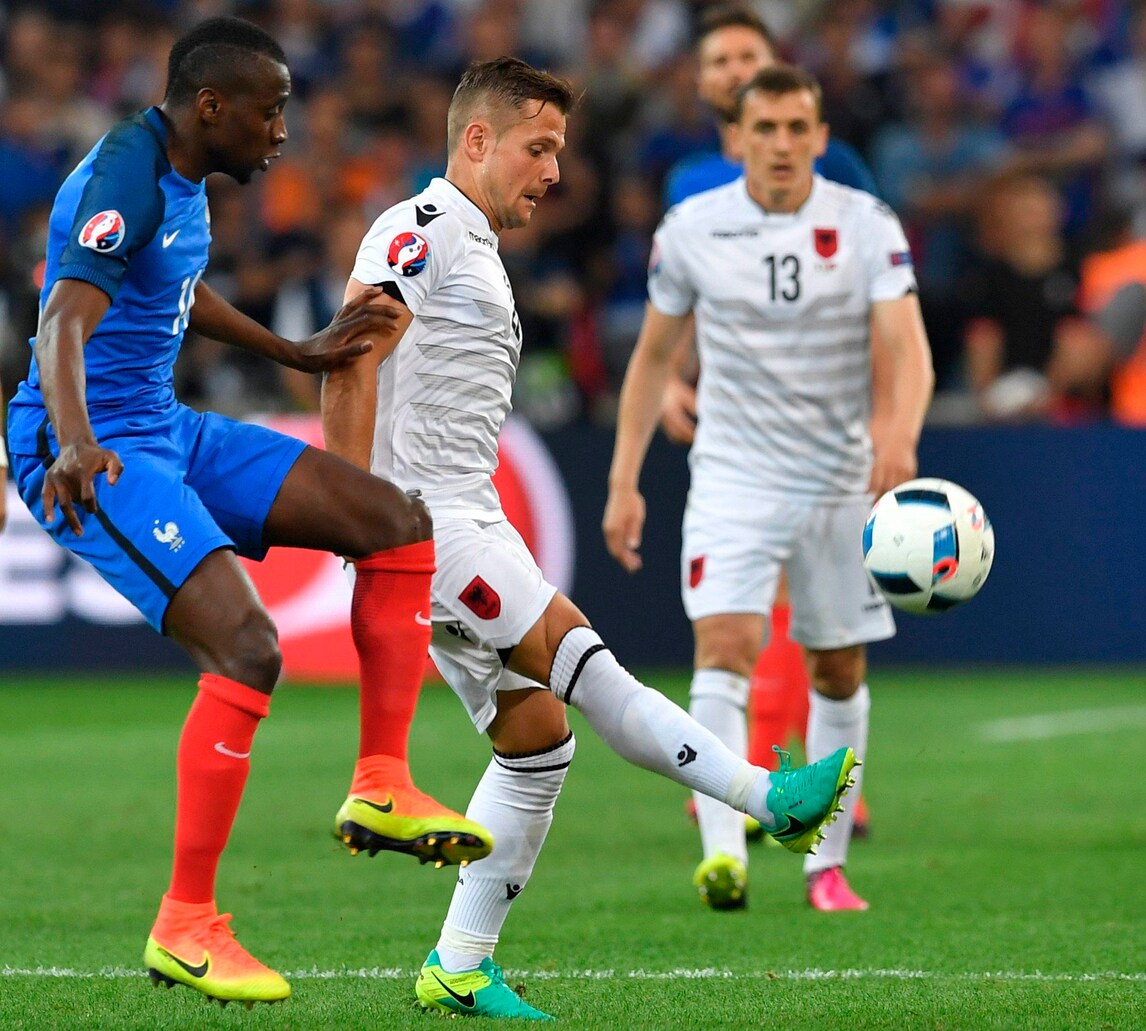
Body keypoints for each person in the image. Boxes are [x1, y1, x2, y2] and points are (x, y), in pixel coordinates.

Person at [321, 56, 858, 1021]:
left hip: (466, 514)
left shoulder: (474, 245)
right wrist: (356, 508)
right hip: (428, 523)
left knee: (537, 743)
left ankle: (459, 964)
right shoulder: (423, 227)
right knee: (591, 670)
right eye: (538, 148)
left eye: (559, 151)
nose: (554, 172)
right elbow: (351, 356)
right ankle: (767, 801)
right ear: (477, 140)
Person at [5, 17, 493, 1010]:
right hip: (89, 447)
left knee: (396, 520)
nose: (280, 132)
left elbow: (176, 292)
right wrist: (76, 440)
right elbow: (58, 320)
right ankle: (185, 923)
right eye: (269, 112)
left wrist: (294, 351)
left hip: (163, 425)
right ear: (211, 106)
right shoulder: (126, 176)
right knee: (249, 646)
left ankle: (383, 779)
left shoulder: (180, 177)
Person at [603, 65, 934, 914]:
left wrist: (898, 435)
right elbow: (653, 357)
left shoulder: (865, 223)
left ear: (820, 138)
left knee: (837, 666)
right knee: (725, 646)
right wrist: (624, 478)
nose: (782, 144)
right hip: (733, 475)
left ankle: (826, 866)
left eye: (797, 128)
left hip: (838, 478)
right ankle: (725, 855)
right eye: (766, 129)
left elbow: (908, 346)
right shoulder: (692, 228)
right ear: (737, 139)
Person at [661, 3, 879, 840]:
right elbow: (681, 300)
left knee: (811, 605)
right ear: (701, 82)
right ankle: (754, 775)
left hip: (823, 415)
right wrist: (673, 379)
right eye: (717, 60)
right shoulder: (689, 183)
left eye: (746, 55)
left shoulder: (838, 166)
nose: (732, 70)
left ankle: (782, 771)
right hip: (734, 416)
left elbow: (867, 277)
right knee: (744, 604)